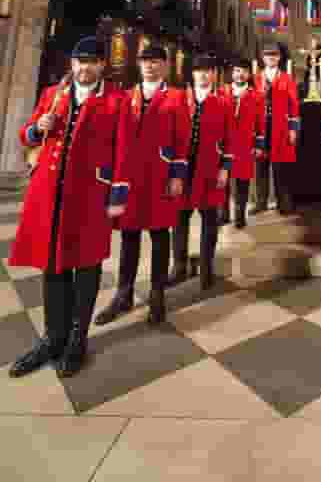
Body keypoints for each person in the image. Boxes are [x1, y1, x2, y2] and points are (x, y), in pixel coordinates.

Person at [9, 37, 122, 378]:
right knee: (52, 265)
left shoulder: (116, 100)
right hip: (49, 194)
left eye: (90, 62)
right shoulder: (52, 95)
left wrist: (117, 196)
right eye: (78, 61)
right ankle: (52, 338)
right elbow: (25, 135)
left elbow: (124, 151)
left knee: (86, 266)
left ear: (102, 65)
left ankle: (77, 340)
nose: (82, 68)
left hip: (89, 197)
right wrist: (35, 129)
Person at [95, 44, 191, 327]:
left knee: (160, 237)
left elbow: (182, 139)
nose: (149, 66)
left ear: (165, 65)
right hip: (132, 180)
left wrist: (177, 175)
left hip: (160, 176)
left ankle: (158, 294)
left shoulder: (175, 97)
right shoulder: (126, 97)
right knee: (129, 237)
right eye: (145, 61)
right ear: (139, 65)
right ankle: (123, 294)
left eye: (155, 61)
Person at [168, 54, 231, 290]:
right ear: (192, 74)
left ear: (214, 74)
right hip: (183, 170)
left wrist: (225, 169)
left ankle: (206, 267)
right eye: (199, 70)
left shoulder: (223, 102)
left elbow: (229, 140)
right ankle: (179, 266)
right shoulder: (179, 100)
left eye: (208, 70)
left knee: (209, 220)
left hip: (209, 169)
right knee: (179, 219)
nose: (203, 74)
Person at [251, 43, 300, 215]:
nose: (271, 58)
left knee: (281, 167)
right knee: (260, 166)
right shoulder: (256, 78)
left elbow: (294, 105)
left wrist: (293, 129)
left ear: (279, 58)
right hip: (261, 128)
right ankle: (261, 202)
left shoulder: (287, 79)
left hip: (280, 127)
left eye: (274, 55)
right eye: (267, 55)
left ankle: (283, 201)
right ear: (263, 58)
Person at [218, 56, 265, 229]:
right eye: (237, 71)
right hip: (224, 145)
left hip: (245, 144)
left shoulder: (256, 96)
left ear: (249, 74)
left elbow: (260, 123)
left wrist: (259, 145)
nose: (240, 74)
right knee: (223, 182)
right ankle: (223, 214)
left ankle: (239, 215)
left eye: (244, 71)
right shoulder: (222, 92)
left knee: (242, 182)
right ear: (232, 73)